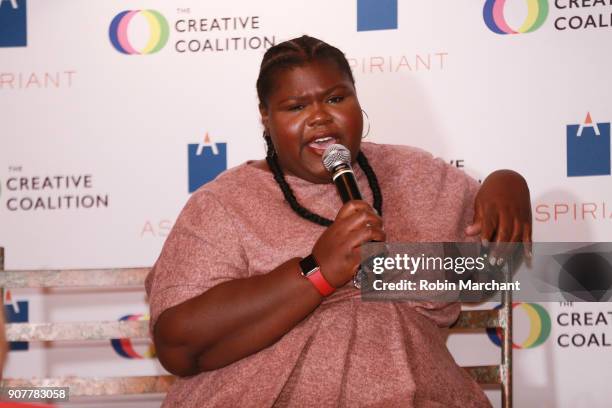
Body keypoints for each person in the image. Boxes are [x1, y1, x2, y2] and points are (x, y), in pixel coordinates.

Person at [146, 35, 531, 407]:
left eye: (335, 98)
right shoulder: (224, 204)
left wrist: (506, 184)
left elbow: (486, 272)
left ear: (356, 100)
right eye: (296, 107)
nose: (319, 117)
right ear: (266, 117)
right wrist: (318, 271)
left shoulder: (417, 175)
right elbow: (178, 346)